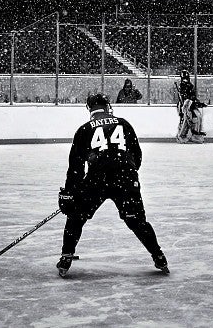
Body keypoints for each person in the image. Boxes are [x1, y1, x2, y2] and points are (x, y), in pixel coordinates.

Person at [56, 93, 168, 277]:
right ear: (108, 107)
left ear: (90, 109)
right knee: (136, 220)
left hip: (96, 180)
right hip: (124, 178)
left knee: (76, 216)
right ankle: (159, 256)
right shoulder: (123, 123)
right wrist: (126, 172)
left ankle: (66, 257)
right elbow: (137, 156)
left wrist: (70, 193)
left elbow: (75, 167)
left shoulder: (84, 129)